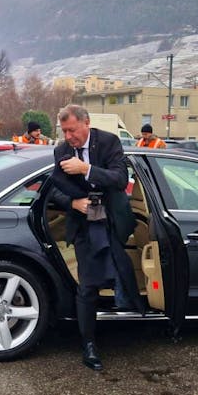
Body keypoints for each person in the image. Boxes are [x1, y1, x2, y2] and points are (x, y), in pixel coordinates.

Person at [49, 104, 139, 371]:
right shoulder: (61, 150)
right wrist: (73, 202)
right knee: (88, 286)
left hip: (112, 221)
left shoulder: (109, 142)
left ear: (86, 124)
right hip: (84, 226)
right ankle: (88, 344)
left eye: (72, 130)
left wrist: (85, 169)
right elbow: (53, 190)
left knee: (119, 269)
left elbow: (120, 179)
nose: (68, 136)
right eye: (64, 131)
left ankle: (129, 311)